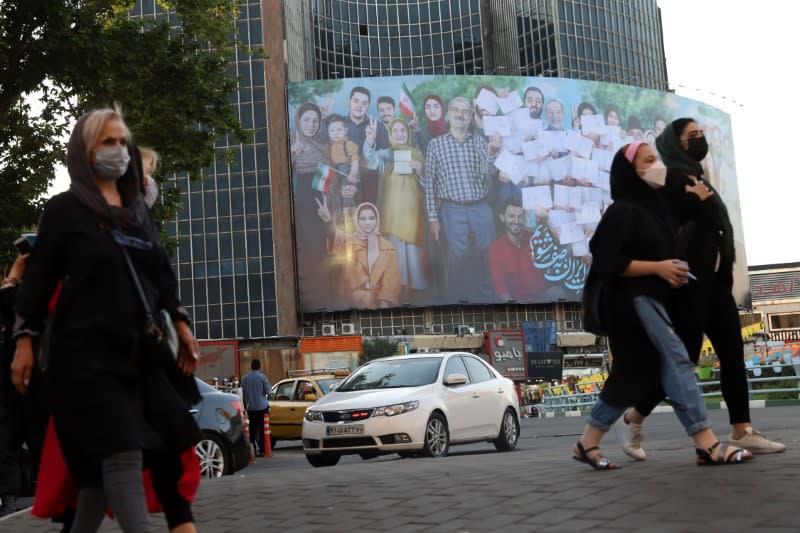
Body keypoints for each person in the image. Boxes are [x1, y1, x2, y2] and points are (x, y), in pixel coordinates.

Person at [11, 108, 203, 532]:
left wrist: (182, 325)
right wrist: (24, 342)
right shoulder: (65, 210)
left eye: (122, 142)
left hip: (138, 357)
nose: (118, 151)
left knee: (97, 485)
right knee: (121, 454)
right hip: (84, 361)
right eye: (106, 142)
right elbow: (37, 282)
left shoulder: (137, 210)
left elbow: (161, 275)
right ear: (85, 151)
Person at [573, 141, 753, 470]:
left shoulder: (652, 212)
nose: (657, 164)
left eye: (657, 157)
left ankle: (588, 442)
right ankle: (707, 443)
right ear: (631, 170)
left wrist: (671, 270)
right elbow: (608, 261)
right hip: (633, 302)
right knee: (678, 361)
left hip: (651, 300)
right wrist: (657, 268)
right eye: (649, 159)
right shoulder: (622, 210)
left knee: (635, 374)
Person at [616, 119, 786, 458]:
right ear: (674, 143)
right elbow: (666, 219)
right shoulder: (665, 178)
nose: (699, 140)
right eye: (691, 136)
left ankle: (742, 429)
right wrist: (693, 200)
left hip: (714, 282)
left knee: (732, 353)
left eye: (701, 134)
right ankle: (634, 416)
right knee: (686, 358)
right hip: (687, 284)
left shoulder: (697, 177)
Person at [424, 96, 502, 302]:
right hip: (451, 209)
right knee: (456, 257)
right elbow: (429, 184)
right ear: (449, 115)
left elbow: (490, 172)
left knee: (488, 255)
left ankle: (489, 300)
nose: (460, 114)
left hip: (481, 207)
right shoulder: (435, 145)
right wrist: (433, 218)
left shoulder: (479, 142)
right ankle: (457, 302)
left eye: (465, 111)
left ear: (470, 118)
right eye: (456, 110)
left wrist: (492, 153)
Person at [0, 253, 47, 518]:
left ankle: (45, 496)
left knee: (38, 442)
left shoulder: (37, 302)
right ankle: (9, 499)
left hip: (36, 387)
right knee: (6, 445)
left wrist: (15, 273)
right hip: (13, 389)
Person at [364, 118, 428, 301]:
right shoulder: (385, 155)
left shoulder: (417, 154)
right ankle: (398, 290)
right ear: (390, 134)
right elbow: (368, 162)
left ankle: (417, 294)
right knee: (396, 252)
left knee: (414, 254)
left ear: (408, 133)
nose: (400, 134)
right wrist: (370, 139)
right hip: (391, 215)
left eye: (403, 131)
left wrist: (420, 170)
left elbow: (427, 184)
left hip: (413, 214)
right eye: (396, 131)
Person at [317, 200, 401, 308]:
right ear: (357, 220)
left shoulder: (388, 248)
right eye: (363, 219)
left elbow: (391, 279)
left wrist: (383, 304)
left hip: (379, 301)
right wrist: (328, 220)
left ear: (377, 220)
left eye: (371, 218)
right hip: (353, 300)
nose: (367, 222)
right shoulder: (350, 241)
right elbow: (337, 238)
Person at [488, 200, 547, 302]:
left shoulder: (535, 238)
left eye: (520, 216)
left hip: (542, 300)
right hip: (517, 304)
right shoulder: (496, 248)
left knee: (558, 292)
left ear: (524, 218)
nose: (516, 221)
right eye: (511, 216)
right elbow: (500, 288)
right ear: (502, 217)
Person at [241, 359, 270, 457]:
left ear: (251, 366)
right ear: (259, 366)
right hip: (262, 407)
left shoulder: (245, 378)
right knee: (262, 429)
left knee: (252, 430)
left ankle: (252, 450)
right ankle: (262, 450)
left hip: (250, 408)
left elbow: (243, 393)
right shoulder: (262, 377)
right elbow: (268, 391)